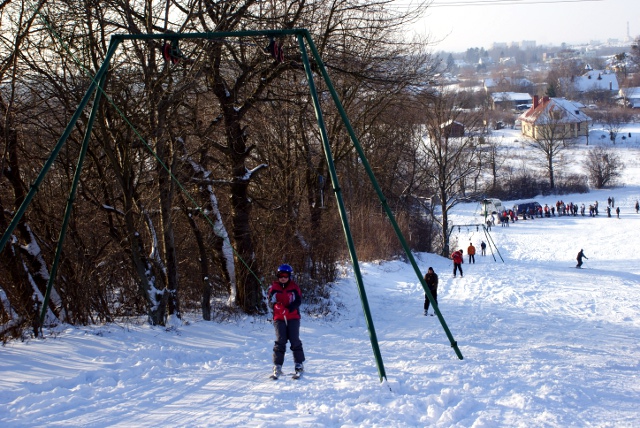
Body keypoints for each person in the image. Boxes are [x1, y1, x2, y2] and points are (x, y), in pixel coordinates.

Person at [268, 264, 305, 378]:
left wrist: (288, 309)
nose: (283, 278)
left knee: (294, 340)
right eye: (280, 275)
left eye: (285, 275)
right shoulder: (274, 288)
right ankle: (277, 365)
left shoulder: (294, 287)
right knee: (280, 340)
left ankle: (299, 364)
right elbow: (270, 302)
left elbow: (298, 301)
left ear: (289, 276)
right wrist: (276, 307)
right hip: (279, 319)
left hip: (293, 317)